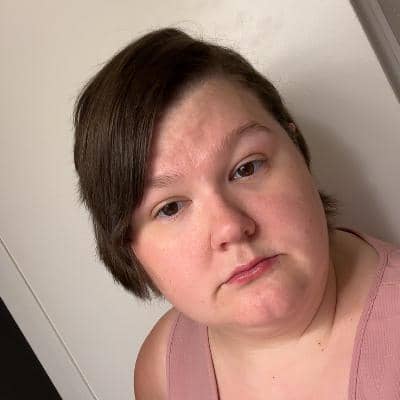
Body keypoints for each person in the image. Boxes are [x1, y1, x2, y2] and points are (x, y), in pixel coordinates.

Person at [73, 28, 400, 400]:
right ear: (129, 248)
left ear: (296, 148)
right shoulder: (162, 368)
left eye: (246, 168)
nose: (229, 226)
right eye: (170, 208)